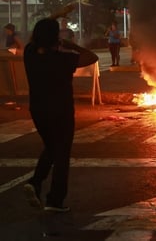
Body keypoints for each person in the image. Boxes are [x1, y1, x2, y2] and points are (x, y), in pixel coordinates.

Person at [22, 17, 99, 212]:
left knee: (52, 147)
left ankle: (35, 182)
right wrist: (70, 45)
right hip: (60, 112)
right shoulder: (63, 59)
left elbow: (33, 40)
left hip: (38, 110)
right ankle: (55, 200)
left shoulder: (29, 54)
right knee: (62, 154)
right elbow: (92, 57)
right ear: (55, 38)